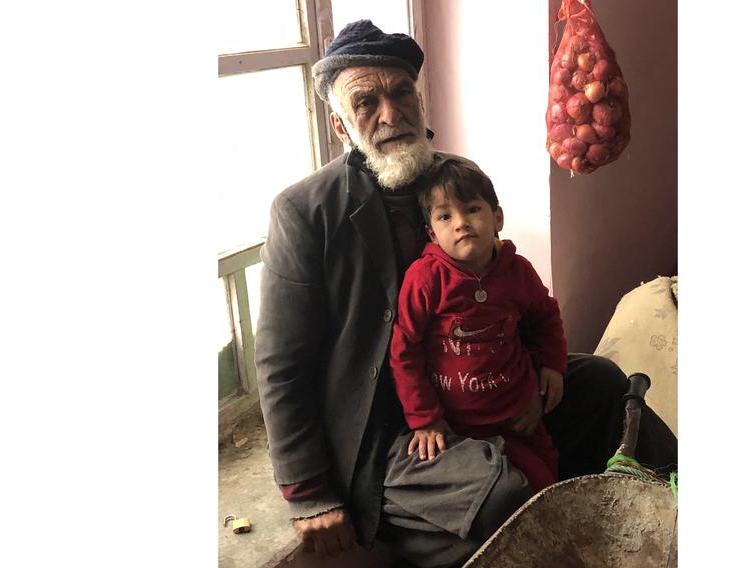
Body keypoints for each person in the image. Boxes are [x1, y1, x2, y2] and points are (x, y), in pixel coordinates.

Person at [254, 19, 677, 568]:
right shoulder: (305, 212)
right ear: (339, 124)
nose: (390, 113)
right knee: (500, 490)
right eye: (366, 102)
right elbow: (280, 363)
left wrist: (537, 371)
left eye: (401, 92)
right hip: (391, 429)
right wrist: (308, 492)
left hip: (486, 382)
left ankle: (679, 499)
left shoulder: (458, 179)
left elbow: (510, 292)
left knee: (602, 382)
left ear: (419, 98)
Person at [390, 157, 566, 493]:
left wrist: (553, 366)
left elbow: (546, 317)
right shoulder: (426, 279)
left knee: (548, 480)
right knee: (518, 494)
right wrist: (425, 418)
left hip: (520, 412)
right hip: (459, 428)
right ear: (431, 232)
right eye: (445, 216)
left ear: (497, 217)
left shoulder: (517, 271)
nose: (461, 223)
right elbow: (405, 351)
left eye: (472, 209)